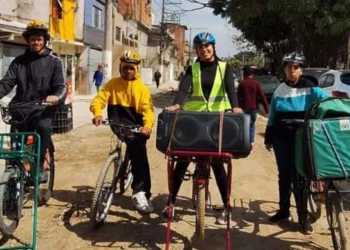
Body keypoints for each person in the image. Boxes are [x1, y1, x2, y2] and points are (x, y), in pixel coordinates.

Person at [164, 32, 242, 225]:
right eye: (200, 47)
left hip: (218, 120)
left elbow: (230, 89)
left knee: (218, 163)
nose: (204, 50)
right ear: (197, 50)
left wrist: (235, 106)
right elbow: (184, 89)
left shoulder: (225, 67)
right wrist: (176, 105)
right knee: (181, 160)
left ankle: (226, 207)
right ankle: (171, 203)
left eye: (207, 46)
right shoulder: (193, 68)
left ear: (213, 47)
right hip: (195, 118)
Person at [264, 52, 328, 234]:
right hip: (281, 137)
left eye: (296, 67)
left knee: (299, 178)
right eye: (288, 67)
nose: (292, 70)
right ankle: (283, 211)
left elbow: (327, 105)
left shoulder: (313, 89)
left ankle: (303, 218)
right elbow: (273, 115)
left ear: (301, 69)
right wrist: (269, 137)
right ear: (284, 69)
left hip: (303, 138)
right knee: (284, 175)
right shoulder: (279, 89)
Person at [0, 19, 67, 183]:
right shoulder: (18, 62)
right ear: (28, 41)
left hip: (42, 108)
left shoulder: (54, 62)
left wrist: (56, 98)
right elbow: (7, 83)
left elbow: (61, 87)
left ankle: (39, 166)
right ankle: (13, 174)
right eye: (32, 39)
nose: (36, 42)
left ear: (44, 40)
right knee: (15, 140)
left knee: (43, 128)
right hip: (20, 107)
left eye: (39, 39)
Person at [90, 50, 155, 214]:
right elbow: (100, 98)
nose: (128, 71)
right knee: (129, 145)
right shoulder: (112, 84)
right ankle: (119, 165)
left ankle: (141, 192)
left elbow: (148, 110)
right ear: (121, 68)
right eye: (125, 68)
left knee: (139, 153)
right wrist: (97, 113)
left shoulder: (141, 89)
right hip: (118, 123)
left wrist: (147, 126)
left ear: (136, 70)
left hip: (137, 126)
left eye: (131, 68)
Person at [237, 66, 269, 149]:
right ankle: (251, 142)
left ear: (244, 74)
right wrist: (267, 109)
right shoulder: (256, 84)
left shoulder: (242, 84)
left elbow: (237, 96)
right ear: (252, 74)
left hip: (243, 108)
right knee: (251, 125)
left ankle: (244, 141)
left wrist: (236, 107)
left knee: (244, 125)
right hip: (253, 108)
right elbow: (262, 97)